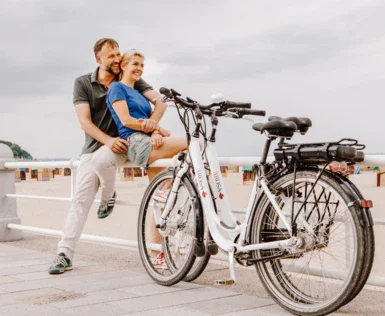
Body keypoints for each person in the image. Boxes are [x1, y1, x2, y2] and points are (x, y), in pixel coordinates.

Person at [48, 38, 167, 274]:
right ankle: (64, 254)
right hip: (99, 147)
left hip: (133, 143)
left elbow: (159, 102)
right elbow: (84, 121)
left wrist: (153, 127)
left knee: (162, 190)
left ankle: (159, 253)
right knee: (81, 199)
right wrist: (109, 140)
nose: (116, 60)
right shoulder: (83, 83)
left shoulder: (128, 77)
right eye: (110, 55)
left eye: (118, 55)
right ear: (98, 59)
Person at [106, 49, 188, 267]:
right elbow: (126, 120)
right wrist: (155, 128)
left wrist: (155, 132)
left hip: (149, 139)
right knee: (191, 143)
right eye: (134, 64)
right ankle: (179, 190)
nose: (139, 69)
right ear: (123, 66)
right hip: (134, 141)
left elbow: (158, 107)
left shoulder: (140, 93)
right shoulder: (117, 88)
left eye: (141, 65)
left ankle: (157, 255)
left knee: (160, 202)